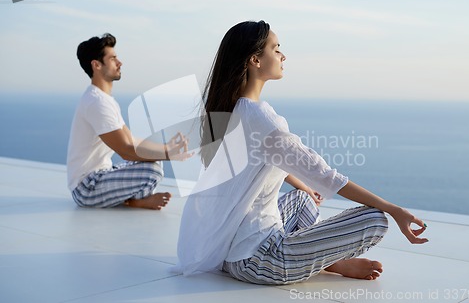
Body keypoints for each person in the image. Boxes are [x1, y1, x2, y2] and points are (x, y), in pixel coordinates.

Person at [176, 21, 428, 284]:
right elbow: (326, 176)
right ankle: (330, 262)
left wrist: (300, 184)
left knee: (303, 198)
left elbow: (259, 163)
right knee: (375, 219)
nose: (282, 56)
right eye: (275, 49)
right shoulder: (261, 118)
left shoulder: (235, 111)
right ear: (255, 60)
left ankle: (320, 260)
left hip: (232, 249)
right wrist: (393, 209)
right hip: (261, 261)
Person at [67, 33, 192, 210]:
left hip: (102, 174)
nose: (120, 63)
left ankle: (133, 199)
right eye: (113, 58)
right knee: (152, 170)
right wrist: (168, 154)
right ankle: (134, 201)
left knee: (153, 160)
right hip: (87, 188)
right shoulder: (96, 102)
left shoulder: (104, 100)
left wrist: (166, 148)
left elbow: (131, 140)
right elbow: (126, 151)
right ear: (96, 65)